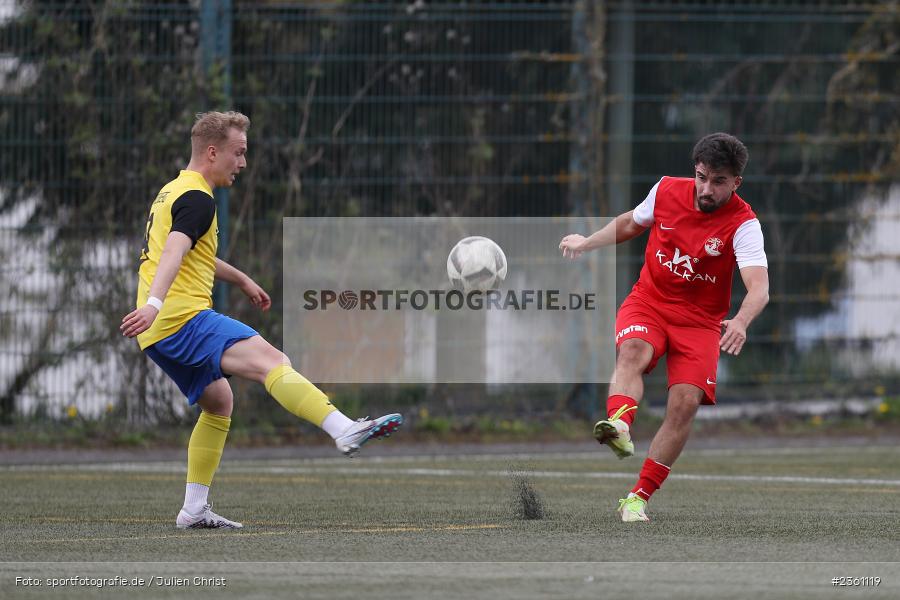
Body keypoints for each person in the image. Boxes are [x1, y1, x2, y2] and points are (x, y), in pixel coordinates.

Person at [121, 111, 402, 530]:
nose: (243, 163)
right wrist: (155, 305)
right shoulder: (198, 198)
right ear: (213, 152)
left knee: (219, 403)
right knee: (273, 361)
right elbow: (174, 252)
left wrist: (241, 279)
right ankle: (343, 428)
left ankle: (194, 509)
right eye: (239, 152)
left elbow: (193, 252)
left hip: (160, 334)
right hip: (180, 319)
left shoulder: (172, 191)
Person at [559, 133, 769, 522]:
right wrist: (588, 243)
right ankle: (619, 425)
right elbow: (630, 224)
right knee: (633, 351)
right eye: (701, 177)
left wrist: (740, 320)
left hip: (701, 323)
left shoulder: (744, 224)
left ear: (736, 183)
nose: (706, 189)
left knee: (684, 404)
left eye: (718, 181)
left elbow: (759, 287)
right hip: (649, 302)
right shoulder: (667, 190)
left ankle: (637, 498)